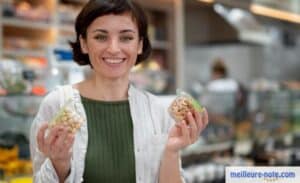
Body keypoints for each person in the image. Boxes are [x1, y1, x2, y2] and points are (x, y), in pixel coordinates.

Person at [30, 0, 209, 182]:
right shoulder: (57, 104)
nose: (114, 49)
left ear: (139, 45)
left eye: (126, 38)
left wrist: (171, 151)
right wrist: (59, 164)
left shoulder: (157, 111)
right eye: (101, 37)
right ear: (83, 43)